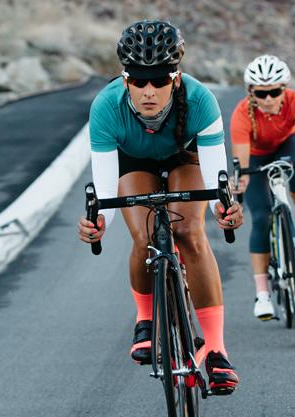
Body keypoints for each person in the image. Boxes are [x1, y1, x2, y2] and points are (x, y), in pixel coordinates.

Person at [76, 20, 244, 395]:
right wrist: (97, 220)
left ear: (176, 78)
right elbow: (104, 185)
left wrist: (226, 207)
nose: (148, 91)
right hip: (132, 162)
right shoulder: (106, 107)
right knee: (145, 236)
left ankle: (215, 348)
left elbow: (217, 176)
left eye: (159, 81)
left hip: (185, 158)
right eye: (138, 81)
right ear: (125, 81)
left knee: (190, 233)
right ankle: (146, 319)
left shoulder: (201, 99)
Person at [230, 55, 295, 320]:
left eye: (274, 92)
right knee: (262, 217)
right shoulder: (242, 114)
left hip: (287, 145)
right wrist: (241, 180)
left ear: (284, 89)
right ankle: (262, 294)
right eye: (261, 93)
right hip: (255, 155)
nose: (268, 99)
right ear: (251, 93)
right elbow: (241, 163)